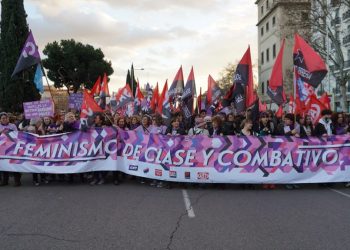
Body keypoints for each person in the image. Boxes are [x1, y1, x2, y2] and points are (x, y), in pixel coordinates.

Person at [0, 112, 21, 186]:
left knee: (14, 163)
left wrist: (10, 132)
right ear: (0, 120)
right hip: (2, 149)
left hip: (12, 147)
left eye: (6, 118)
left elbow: (17, 134)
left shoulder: (12, 126)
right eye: (3, 118)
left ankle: (17, 181)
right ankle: (5, 181)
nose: (5, 119)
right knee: (4, 164)